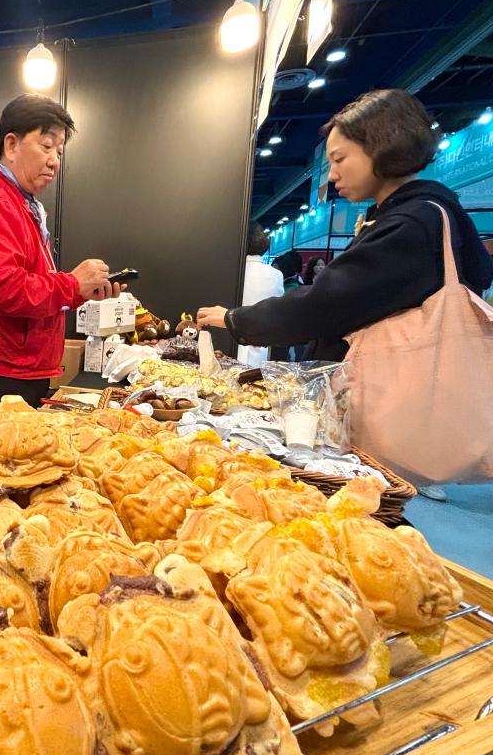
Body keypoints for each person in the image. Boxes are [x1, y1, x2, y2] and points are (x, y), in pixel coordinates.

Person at [197, 89, 493, 496]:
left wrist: (235, 319)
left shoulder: (412, 223)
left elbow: (328, 302)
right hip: (400, 401)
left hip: (389, 397)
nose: (332, 174)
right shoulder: (427, 215)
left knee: (364, 506)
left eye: (340, 159)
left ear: (384, 147)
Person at [0, 93, 123, 410]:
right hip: (2, 370)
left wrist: (82, 291)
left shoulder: (22, 204)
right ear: (11, 145)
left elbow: (33, 284)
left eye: (59, 151)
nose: (55, 160)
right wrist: (72, 284)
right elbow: (6, 289)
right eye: (46, 146)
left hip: (21, 365)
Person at [237, 223, 284, 367]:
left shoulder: (230, 271)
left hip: (225, 343)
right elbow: (278, 315)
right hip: (258, 350)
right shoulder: (275, 275)